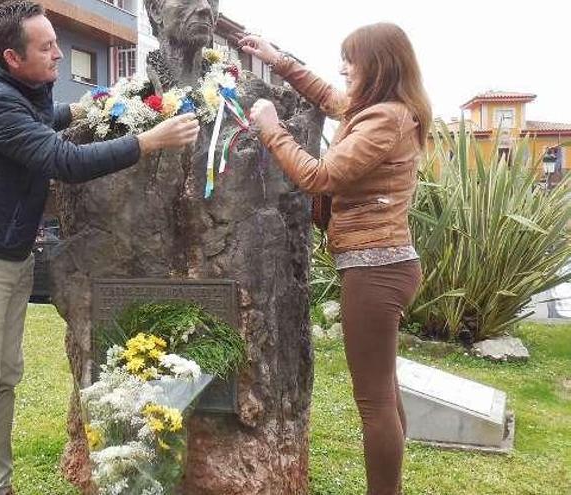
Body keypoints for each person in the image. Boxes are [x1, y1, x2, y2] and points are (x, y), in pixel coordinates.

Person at [0, 1, 200, 494]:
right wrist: (150, 140)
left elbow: (45, 117)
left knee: (4, 377)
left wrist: (94, 104)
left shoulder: (21, 85)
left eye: (56, 41)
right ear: (13, 58)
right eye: (48, 46)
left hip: (8, 251)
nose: (59, 53)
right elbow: (64, 160)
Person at [240, 22, 431, 495]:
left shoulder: (385, 119)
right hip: (381, 265)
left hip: (376, 269)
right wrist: (278, 59)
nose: (343, 68)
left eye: (352, 60)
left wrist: (271, 129)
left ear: (379, 66)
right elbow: (329, 96)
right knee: (384, 392)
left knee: (374, 403)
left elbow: (321, 176)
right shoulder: (379, 111)